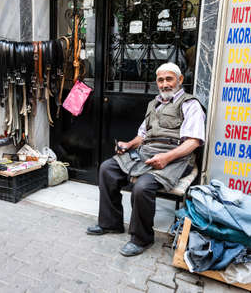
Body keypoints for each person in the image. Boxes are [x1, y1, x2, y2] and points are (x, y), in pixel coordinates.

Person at [86, 62, 206, 256]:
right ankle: (110, 223)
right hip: (148, 152)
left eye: (169, 79)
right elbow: (142, 135)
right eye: (160, 80)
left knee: (142, 187)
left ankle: (141, 238)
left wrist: (167, 157)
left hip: (176, 157)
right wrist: (128, 144)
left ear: (180, 80)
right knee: (107, 168)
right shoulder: (154, 104)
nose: (165, 84)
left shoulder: (190, 105)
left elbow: (193, 142)